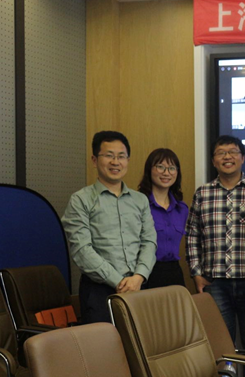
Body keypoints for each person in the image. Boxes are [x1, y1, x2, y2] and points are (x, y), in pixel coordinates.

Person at [62, 131, 156, 324]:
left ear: (127, 160)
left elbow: (149, 241)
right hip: (99, 291)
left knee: (141, 341)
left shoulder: (140, 200)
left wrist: (139, 276)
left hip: (138, 286)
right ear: (94, 160)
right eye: (109, 155)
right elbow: (82, 250)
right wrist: (119, 282)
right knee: (102, 342)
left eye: (121, 156)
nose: (115, 162)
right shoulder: (81, 200)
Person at [186, 135, 245, 348]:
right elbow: (192, 235)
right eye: (221, 153)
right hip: (214, 282)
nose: (227, 157)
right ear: (213, 161)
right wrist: (196, 273)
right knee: (220, 344)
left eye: (233, 152)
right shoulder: (202, 193)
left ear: (242, 158)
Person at [137, 148, 188, 289]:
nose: (166, 173)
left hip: (174, 273)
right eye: (160, 167)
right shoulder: (139, 204)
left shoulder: (182, 209)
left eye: (172, 168)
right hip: (146, 273)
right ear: (149, 170)